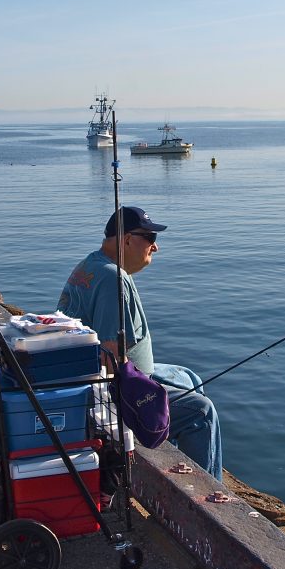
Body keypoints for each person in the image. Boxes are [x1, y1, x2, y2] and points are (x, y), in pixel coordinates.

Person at [57, 206, 223, 481]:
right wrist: (146, 394)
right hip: (111, 392)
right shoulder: (113, 281)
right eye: (149, 237)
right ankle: (206, 496)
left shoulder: (91, 265)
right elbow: (109, 363)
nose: (155, 247)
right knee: (202, 412)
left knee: (189, 377)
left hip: (112, 375)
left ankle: (179, 459)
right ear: (126, 240)